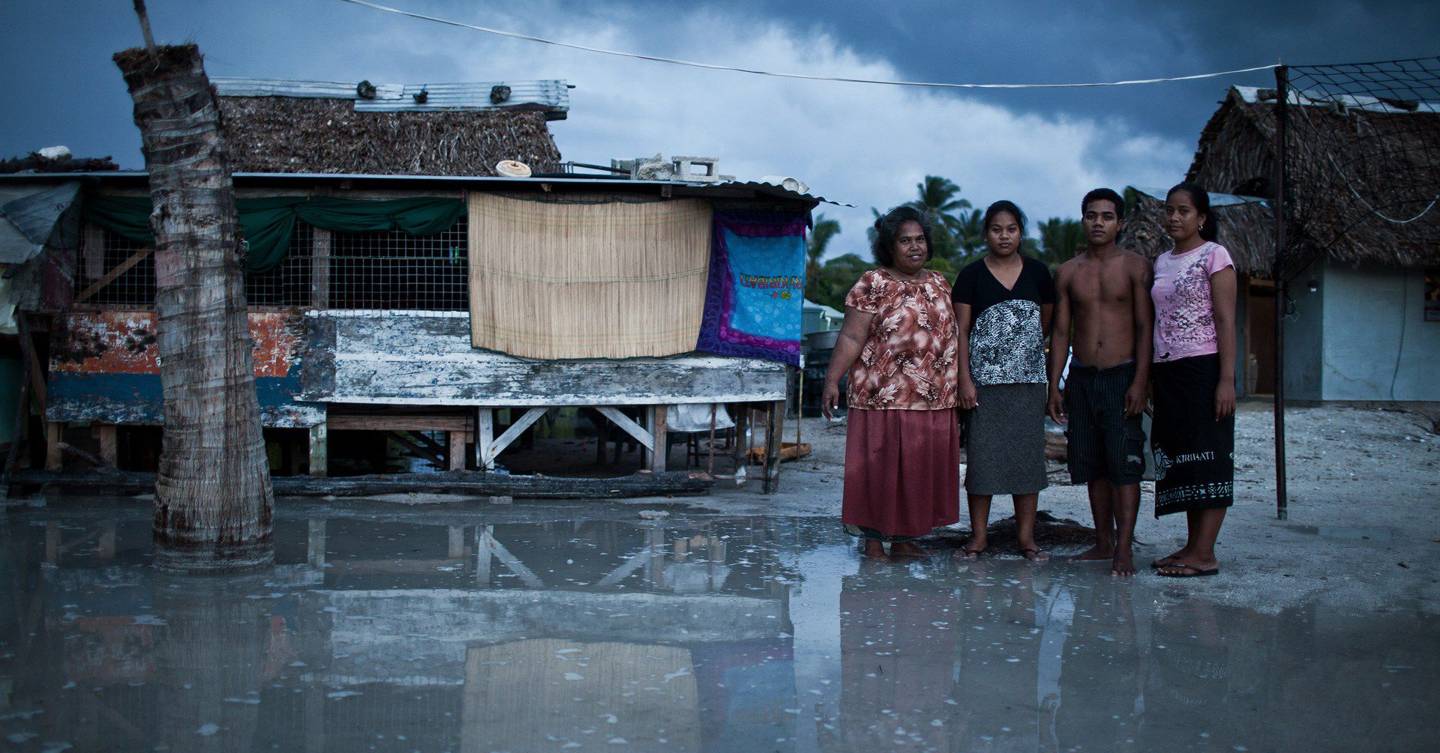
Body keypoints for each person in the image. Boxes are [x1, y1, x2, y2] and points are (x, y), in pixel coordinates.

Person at [821, 206, 960, 559]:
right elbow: (852, 337)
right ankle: (872, 541)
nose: (914, 247)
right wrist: (832, 380)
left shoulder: (940, 282)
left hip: (932, 397)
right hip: (880, 394)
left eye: (920, 240)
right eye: (905, 241)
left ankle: (904, 540)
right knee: (879, 470)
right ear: (889, 246)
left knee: (915, 472)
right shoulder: (873, 283)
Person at [1047, 188, 1153, 576]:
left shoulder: (1135, 267)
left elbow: (1145, 327)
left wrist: (1141, 381)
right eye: (1092, 216)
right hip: (1082, 377)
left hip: (1122, 374)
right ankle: (1102, 541)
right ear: (1082, 220)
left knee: (1124, 464)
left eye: (1107, 217)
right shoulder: (1069, 271)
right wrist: (1053, 383)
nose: (1098, 223)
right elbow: (1061, 332)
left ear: (1119, 223)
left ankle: (1123, 547)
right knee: (1092, 465)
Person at [952, 200, 1056, 562]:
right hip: (984, 386)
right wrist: (965, 380)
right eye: (997, 229)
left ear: (1021, 233)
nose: (1004, 235)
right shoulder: (970, 276)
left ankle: (1026, 539)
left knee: (1027, 461)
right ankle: (978, 536)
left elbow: (1046, 324)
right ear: (986, 234)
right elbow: (961, 331)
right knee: (982, 462)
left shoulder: (1039, 273)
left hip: (1027, 384)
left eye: (1011, 228)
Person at [1149, 182, 1237, 577]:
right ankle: (1192, 546)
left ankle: (1206, 553)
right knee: (1184, 459)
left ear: (1201, 217)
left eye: (1184, 210)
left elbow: (1225, 320)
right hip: (1169, 371)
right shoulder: (1161, 261)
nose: (1175, 217)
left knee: (1210, 456)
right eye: (1170, 210)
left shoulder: (1215, 256)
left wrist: (1227, 379)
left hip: (1204, 368)